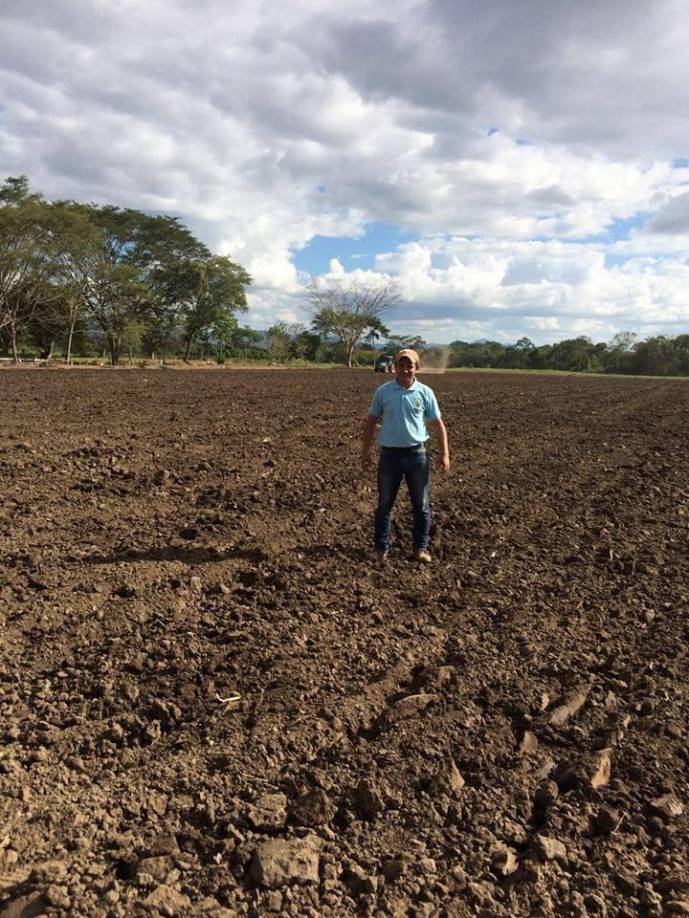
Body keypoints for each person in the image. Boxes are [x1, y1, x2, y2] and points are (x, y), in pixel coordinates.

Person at [361, 348, 450, 563]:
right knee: (384, 505)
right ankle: (380, 549)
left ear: (417, 368)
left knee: (421, 505)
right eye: (401, 364)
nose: (405, 369)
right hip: (389, 456)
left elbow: (438, 424)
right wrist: (365, 451)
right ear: (395, 367)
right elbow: (371, 421)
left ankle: (420, 548)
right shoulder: (383, 392)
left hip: (416, 455)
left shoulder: (425, 393)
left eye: (409, 365)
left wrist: (445, 453)